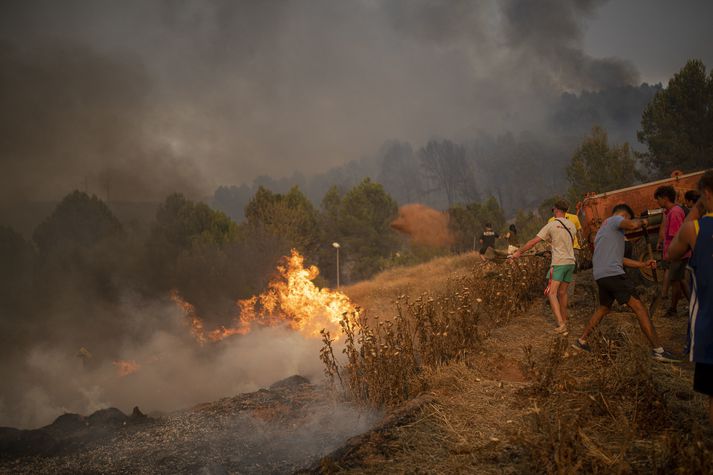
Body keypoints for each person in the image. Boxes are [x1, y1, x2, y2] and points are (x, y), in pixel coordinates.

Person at [572, 203, 680, 362]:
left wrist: (643, 264)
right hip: (613, 274)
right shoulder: (615, 220)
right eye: (628, 219)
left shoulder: (604, 231)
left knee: (603, 308)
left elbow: (620, 259)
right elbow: (631, 224)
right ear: (624, 216)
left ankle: (582, 341)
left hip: (602, 275)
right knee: (639, 307)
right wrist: (642, 222)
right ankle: (659, 350)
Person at [668, 170, 713, 424]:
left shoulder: (694, 228)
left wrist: (696, 208)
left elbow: (672, 253)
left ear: (706, 193)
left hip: (709, 326)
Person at [512, 200, 576, 334]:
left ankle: (561, 324)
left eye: (553, 210)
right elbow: (564, 244)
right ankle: (565, 320)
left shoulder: (551, 225)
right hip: (570, 262)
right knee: (563, 293)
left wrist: (519, 252)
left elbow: (533, 242)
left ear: (556, 210)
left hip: (559, 263)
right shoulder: (571, 225)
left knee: (551, 293)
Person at [654, 185, 689, 316]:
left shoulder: (674, 213)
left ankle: (673, 309)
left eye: (658, 199)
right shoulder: (672, 212)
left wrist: (670, 254)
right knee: (680, 280)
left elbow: (676, 237)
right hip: (677, 253)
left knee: (675, 282)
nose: (657, 202)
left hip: (677, 254)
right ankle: (693, 304)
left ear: (665, 198)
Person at [548, 206, 584, 297]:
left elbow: (550, 238)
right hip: (574, 249)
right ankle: (568, 296)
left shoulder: (551, 220)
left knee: (558, 274)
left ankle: (559, 295)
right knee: (572, 273)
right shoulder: (574, 218)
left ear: (555, 210)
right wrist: (581, 245)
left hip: (559, 252)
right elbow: (580, 232)